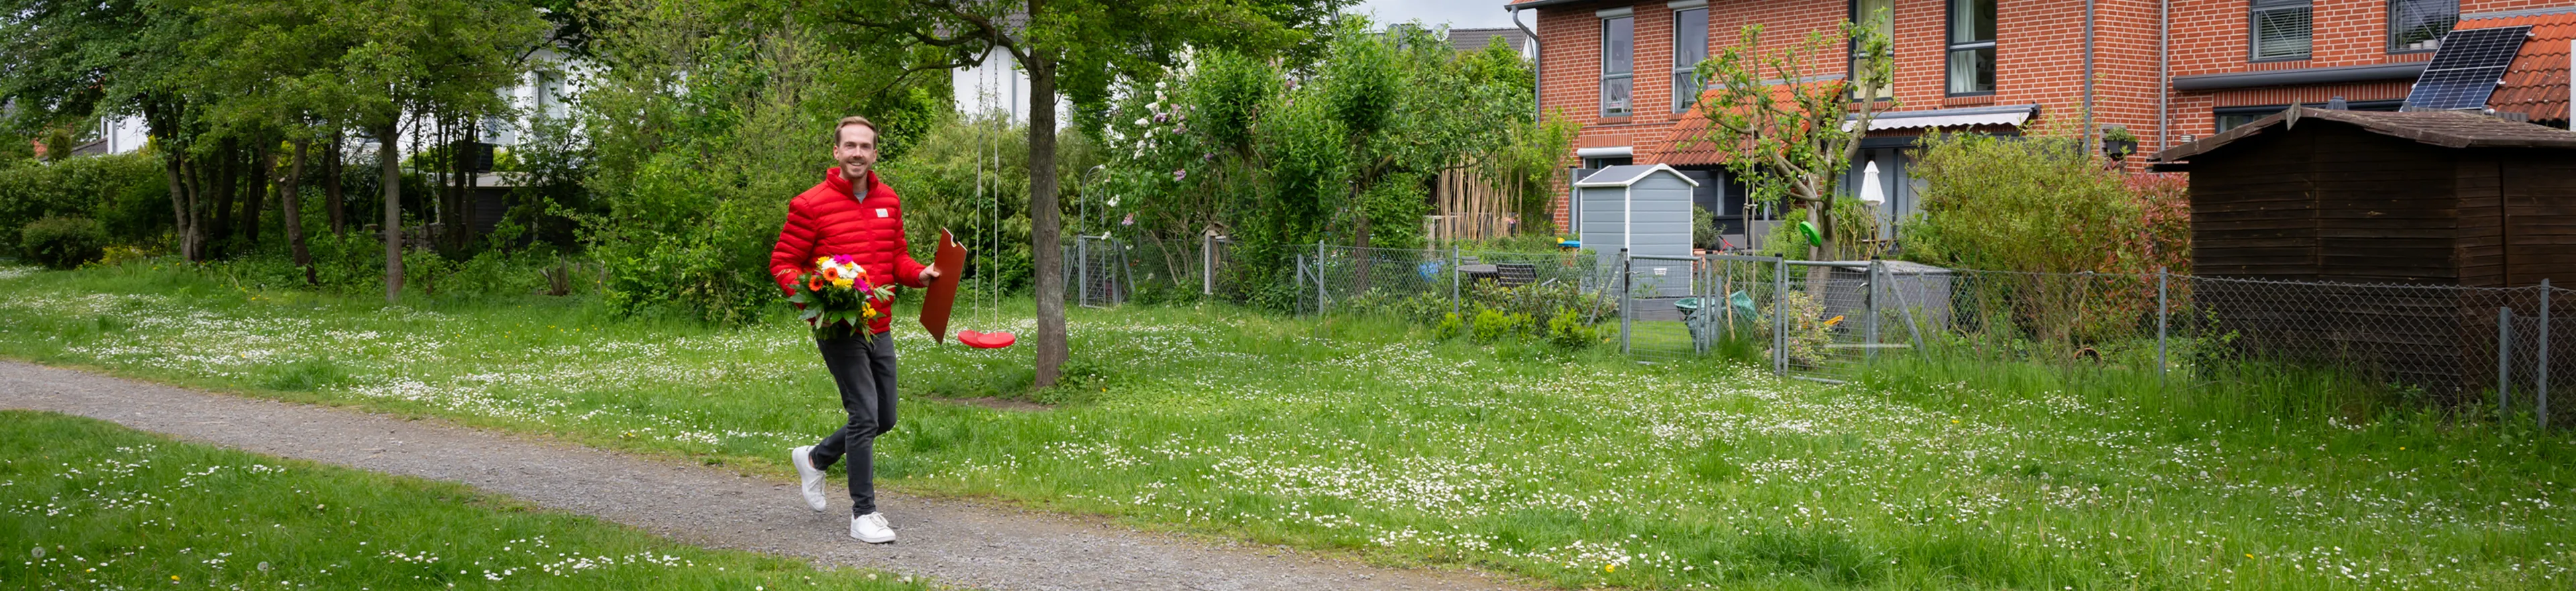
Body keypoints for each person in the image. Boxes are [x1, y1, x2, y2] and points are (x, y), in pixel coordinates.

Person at [769, 115, 939, 543]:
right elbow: (783, 264)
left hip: (878, 325)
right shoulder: (809, 204)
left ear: (875, 153)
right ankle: (863, 514)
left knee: (885, 418)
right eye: (850, 146)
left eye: (866, 146)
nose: (858, 153)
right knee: (864, 414)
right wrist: (820, 295)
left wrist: (921, 275)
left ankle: (815, 459)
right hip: (838, 328)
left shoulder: (890, 201)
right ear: (837, 152)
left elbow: (896, 258)